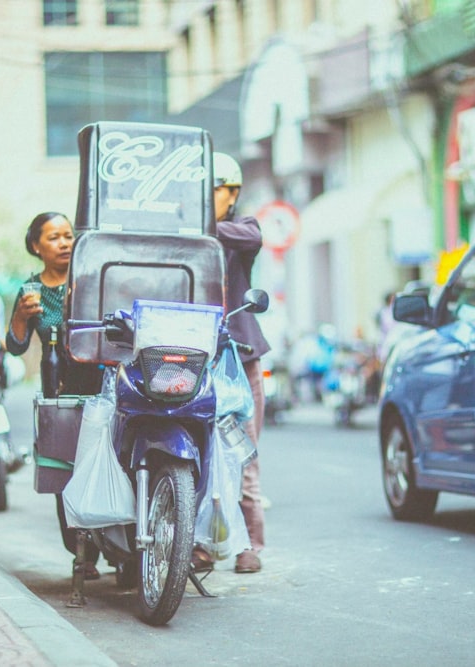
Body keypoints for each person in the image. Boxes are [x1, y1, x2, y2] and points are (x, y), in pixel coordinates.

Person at [6, 211, 104, 580]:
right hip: (60, 394)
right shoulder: (31, 291)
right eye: (54, 237)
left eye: (68, 235)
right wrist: (19, 317)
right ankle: (83, 553)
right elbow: (15, 347)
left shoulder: (91, 279)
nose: (64, 243)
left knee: (113, 465)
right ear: (36, 246)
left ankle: (125, 551)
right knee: (66, 477)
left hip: (102, 386)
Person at [198, 152, 272, 574]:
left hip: (240, 358)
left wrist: (197, 223)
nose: (207, 199)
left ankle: (251, 545)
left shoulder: (242, 229)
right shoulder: (184, 236)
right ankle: (203, 545)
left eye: (214, 190)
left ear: (232, 192)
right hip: (194, 357)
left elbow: (250, 239)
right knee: (198, 455)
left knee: (242, 453)